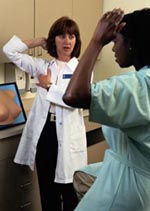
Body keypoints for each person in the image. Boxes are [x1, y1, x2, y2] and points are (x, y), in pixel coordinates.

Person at [63, 8, 150, 211]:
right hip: (139, 184)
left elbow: (73, 95)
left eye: (115, 41)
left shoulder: (139, 85)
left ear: (131, 44)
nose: (112, 49)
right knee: (82, 175)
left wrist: (96, 42)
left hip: (125, 192)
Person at [3, 16, 88, 211]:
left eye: (71, 36)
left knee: (70, 193)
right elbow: (9, 51)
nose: (67, 41)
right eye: (61, 36)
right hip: (45, 133)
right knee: (48, 192)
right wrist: (38, 41)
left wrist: (48, 86)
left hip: (68, 136)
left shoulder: (82, 69)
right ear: (54, 40)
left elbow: (74, 100)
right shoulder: (42, 66)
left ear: (76, 41)